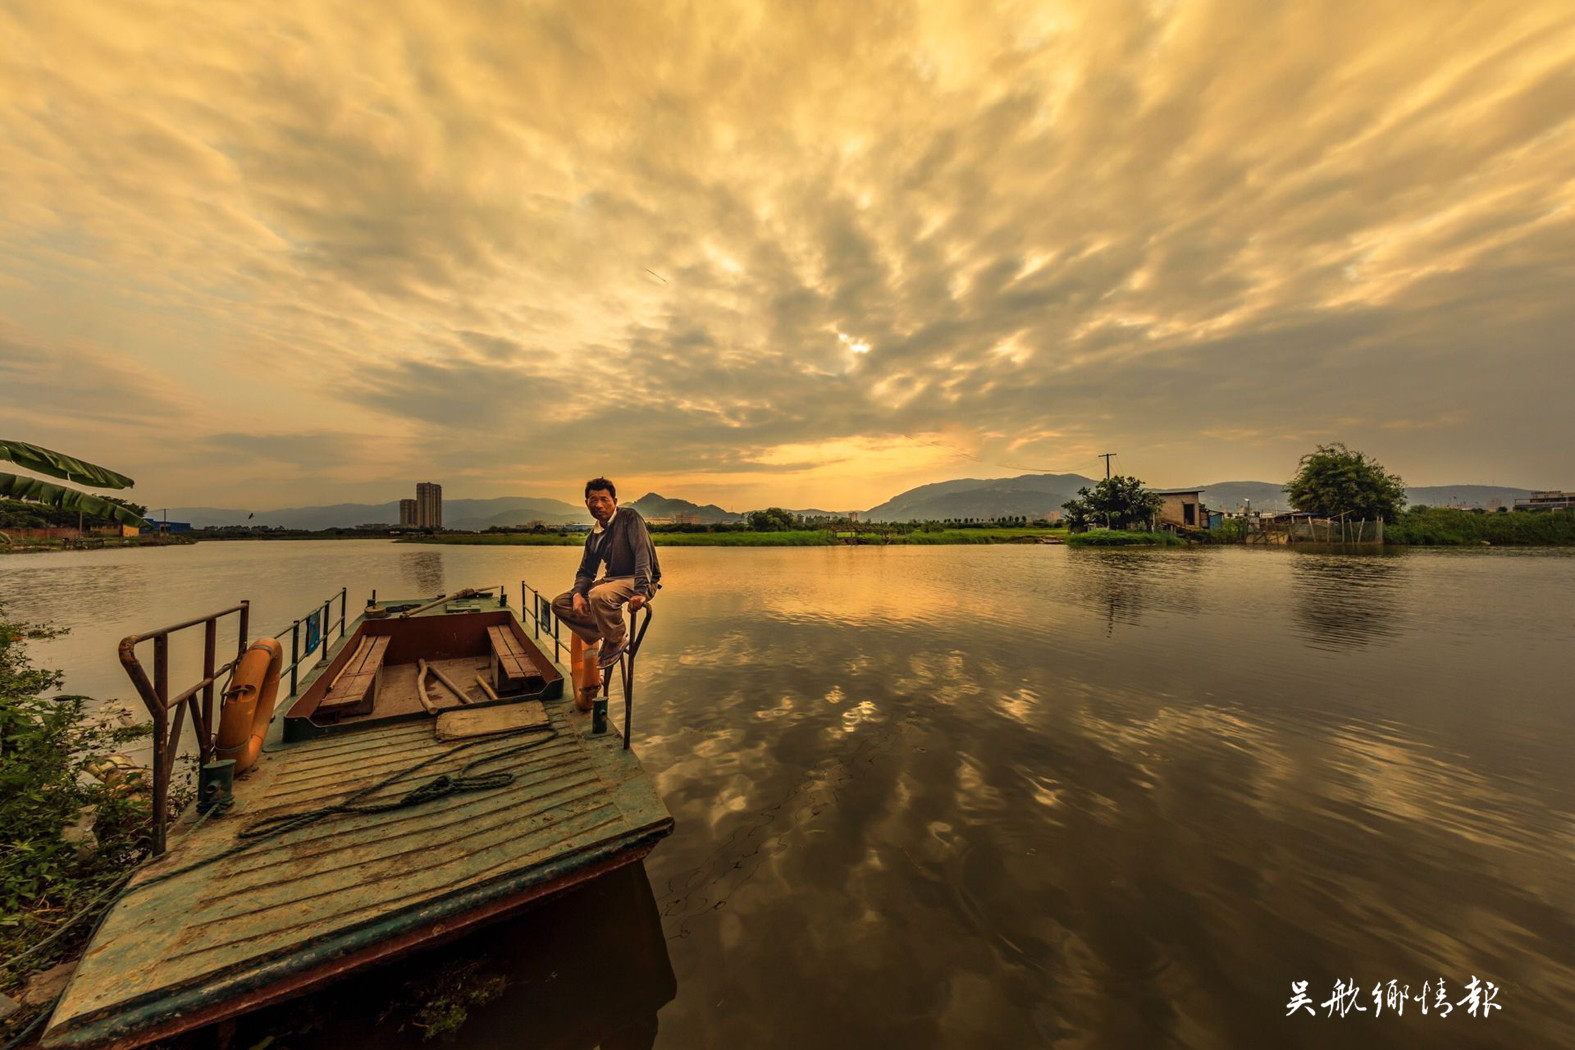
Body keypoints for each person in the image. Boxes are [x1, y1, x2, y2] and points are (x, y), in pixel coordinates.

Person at [551, 477, 661, 669]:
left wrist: (641, 592)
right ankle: (607, 632)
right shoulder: (593, 537)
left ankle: (616, 638)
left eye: (604, 499)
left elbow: (643, 554)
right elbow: (586, 571)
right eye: (593, 500)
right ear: (586, 503)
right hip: (613, 580)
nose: (599, 505)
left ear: (615, 501)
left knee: (598, 595)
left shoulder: (629, 518)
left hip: (639, 580)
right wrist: (577, 594)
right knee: (560, 603)